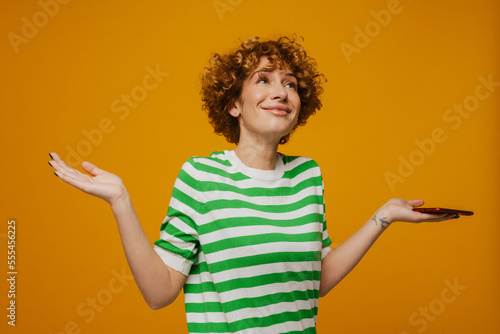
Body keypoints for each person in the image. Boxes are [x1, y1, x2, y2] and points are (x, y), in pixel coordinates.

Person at [48, 36, 459, 333]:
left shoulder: (306, 176)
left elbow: (313, 280)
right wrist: (121, 200)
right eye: (263, 80)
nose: (281, 92)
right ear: (233, 103)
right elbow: (160, 294)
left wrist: (382, 217)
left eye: (291, 84)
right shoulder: (201, 177)